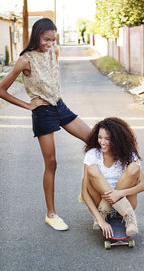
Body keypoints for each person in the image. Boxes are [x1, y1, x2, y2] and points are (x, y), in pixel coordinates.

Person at [0, 18, 91, 231]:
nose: (49, 44)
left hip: (60, 106)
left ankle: (87, 190)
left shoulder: (54, 51)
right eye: (46, 39)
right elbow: (1, 90)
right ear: (36, 35)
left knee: (94, 141)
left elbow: (53, 75)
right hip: (42, 112)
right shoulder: (25, 60)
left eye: (53, 39)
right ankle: (51, 214)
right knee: (51, 163)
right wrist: (27, 105)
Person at [81, 117, 144, 239]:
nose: (102, 142)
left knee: (134, 168)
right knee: (92, 169)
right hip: (100, 205)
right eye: (100, 137)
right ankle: (104, 212)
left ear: (118, 140)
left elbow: (143, 185)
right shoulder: (92, 154)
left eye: (107, 139)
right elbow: (84, 192)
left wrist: (120, 193)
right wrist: (99, 218)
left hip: (124, 203)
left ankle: (128, 218)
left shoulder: (129, 155)